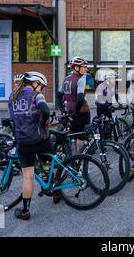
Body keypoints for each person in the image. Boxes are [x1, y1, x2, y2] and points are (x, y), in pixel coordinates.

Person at [9, 72, 52, 220]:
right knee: (50, 162)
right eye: (41, 86)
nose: (41, 89)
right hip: (40, 139)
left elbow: (13, 121)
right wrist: (44, 122)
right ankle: (54, 188)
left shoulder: (12, 97)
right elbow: (45, 110)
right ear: (35, 83)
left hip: (23, 141)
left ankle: (25, 211)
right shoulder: (36, 95)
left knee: (28, 177)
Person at [57, 57, 91, 154]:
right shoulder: (80, 79)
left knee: (73, 136)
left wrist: (62, 109)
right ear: (76, 68)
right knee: (81, 137)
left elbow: (58, 95)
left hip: (69, 112)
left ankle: (72, 159)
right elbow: (80, 98)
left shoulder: (66, 79)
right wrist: (76, 112)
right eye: (84, 67)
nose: (86, 69)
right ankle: (79, 162)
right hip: (81, 113)